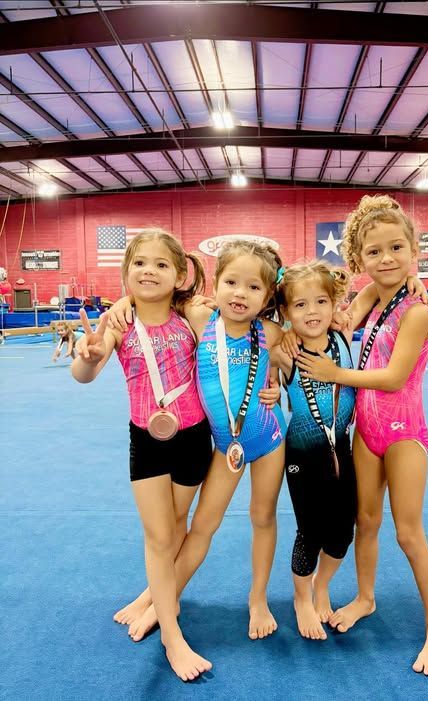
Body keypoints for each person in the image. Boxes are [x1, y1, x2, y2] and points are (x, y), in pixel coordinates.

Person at [296, 195, 428, 676]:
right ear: (358, 259)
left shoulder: (418, 311)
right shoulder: (375, 296)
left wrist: (332, 373)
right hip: (365, 430)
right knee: (365, 522)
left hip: (404, 433)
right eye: (373, 251)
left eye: (396, 248)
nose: (385, 258)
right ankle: (365, 597)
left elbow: (394, 377)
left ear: (414, 250)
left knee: (408, 533)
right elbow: (340, 316)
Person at [108, 240, 286, 643]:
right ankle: (159, 597)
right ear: (215, 284)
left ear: (268, 295)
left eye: (254, 288)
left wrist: (280, 383)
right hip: (227, 446)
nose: (240, 294)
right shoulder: (199, 317)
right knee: (203, 526)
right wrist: (124, 302)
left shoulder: (272, 331)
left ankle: (258, 598)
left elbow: (297, 345)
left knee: (263, 517)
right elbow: (154, 296)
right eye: (231, 282)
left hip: (268, 438)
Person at [72, 229, 214, 681]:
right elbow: (85, 374)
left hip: (194, 439)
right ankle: (172, 634)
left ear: (178, 275)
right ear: (125, 272)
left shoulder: (189, 316)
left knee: (176, 526)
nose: (149, 271)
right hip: (147, 441)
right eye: (140, 263)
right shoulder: (118, 323)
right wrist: (88, 355)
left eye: (160, 264)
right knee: (157, 536)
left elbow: (244, 314)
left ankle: (152, 596)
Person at [272, 261, 357, 641]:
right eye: (300, 305)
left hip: (344, 450)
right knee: (310, 531)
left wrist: (410, 279)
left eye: (321, 302)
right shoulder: (284, 351)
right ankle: (301, 598)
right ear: (286, 312)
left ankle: (322, 586)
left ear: (334, 304)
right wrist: (283, 335)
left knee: (342, 534)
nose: (313, 312)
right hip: (303, 457)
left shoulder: (342, 335)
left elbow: (374, 292)